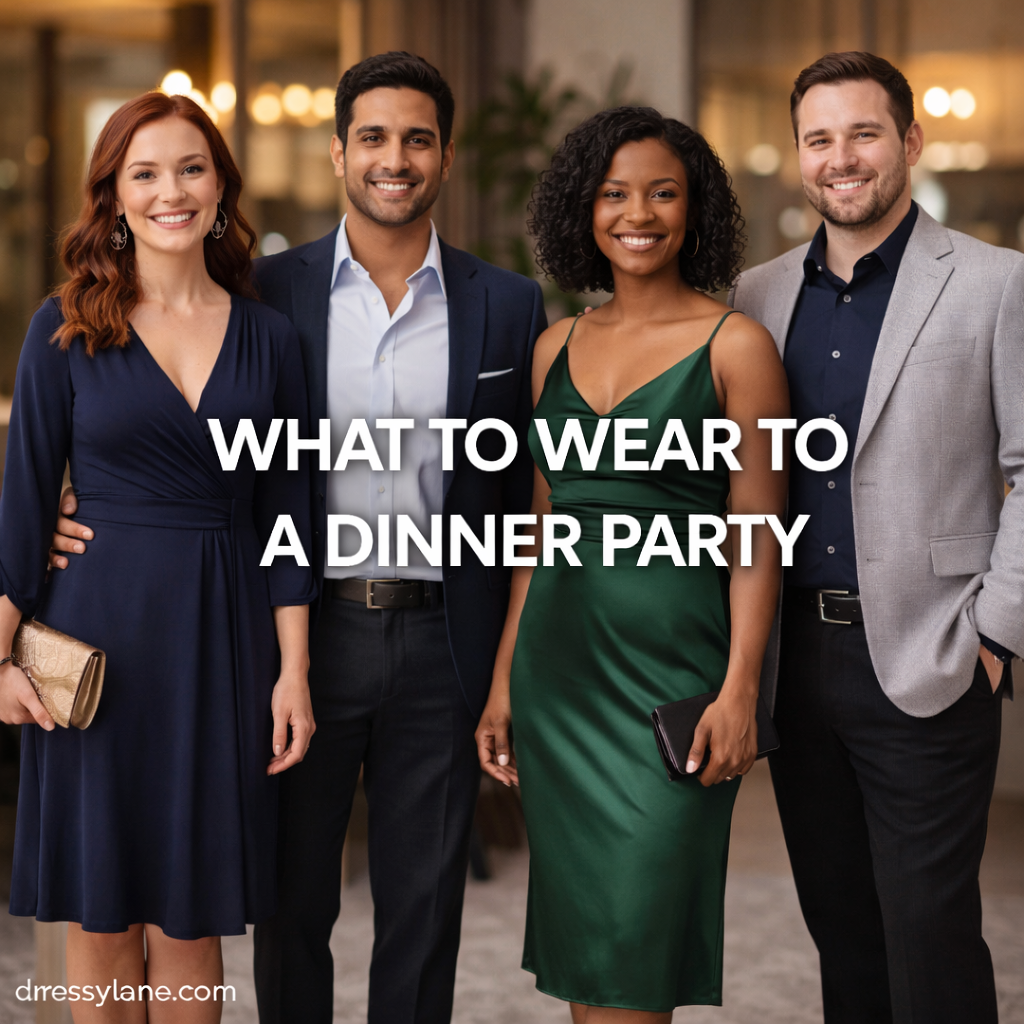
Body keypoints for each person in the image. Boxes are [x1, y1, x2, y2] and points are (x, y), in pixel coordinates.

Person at [54, 51, 545, 1024]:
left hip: (446, 635)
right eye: (372, 137)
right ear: (337, 152)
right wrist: (79, 509)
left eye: (415, 139)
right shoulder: (268, 293)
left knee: (423, 910)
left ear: (445, 156)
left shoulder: (508, 306)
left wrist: (506, 670)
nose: (392, 158)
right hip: (294, 635)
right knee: (290, 906)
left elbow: (527, 498)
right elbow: (165, 396)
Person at [0, 92, 315, 1022]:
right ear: (114, 195)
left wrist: (293, 670)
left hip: (221, 642)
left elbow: (287, 514)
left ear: (220, 187)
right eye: (144, 172)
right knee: (102, 920)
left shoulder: (271, 338)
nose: (169, 190)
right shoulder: (62, 326)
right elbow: (21, 509)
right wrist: (1, 656)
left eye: (190, 168)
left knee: (192, 917)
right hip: (94, 636)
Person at [728, 51, 1024, 1024]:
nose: (841, 157)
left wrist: (993, 634)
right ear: (798, 154)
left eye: (863, 133)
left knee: (930, 932)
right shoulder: (756, 295)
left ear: (908, 141)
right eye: (820, 138)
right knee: (841, 931)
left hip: (931, 651)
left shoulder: (993, 283)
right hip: (797, 660)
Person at [476, 107, 790, 1021]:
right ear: (585, 210)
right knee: (593, 955)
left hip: (673, 687)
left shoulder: (738, 347)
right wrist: (503, 682)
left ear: (696, 212)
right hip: (559, 682)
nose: (638, 213)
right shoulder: (551, 350)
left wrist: (740, 692)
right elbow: (539, 531)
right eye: (614, 194)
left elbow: (759, 540)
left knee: (638, 943)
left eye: (663, 192)